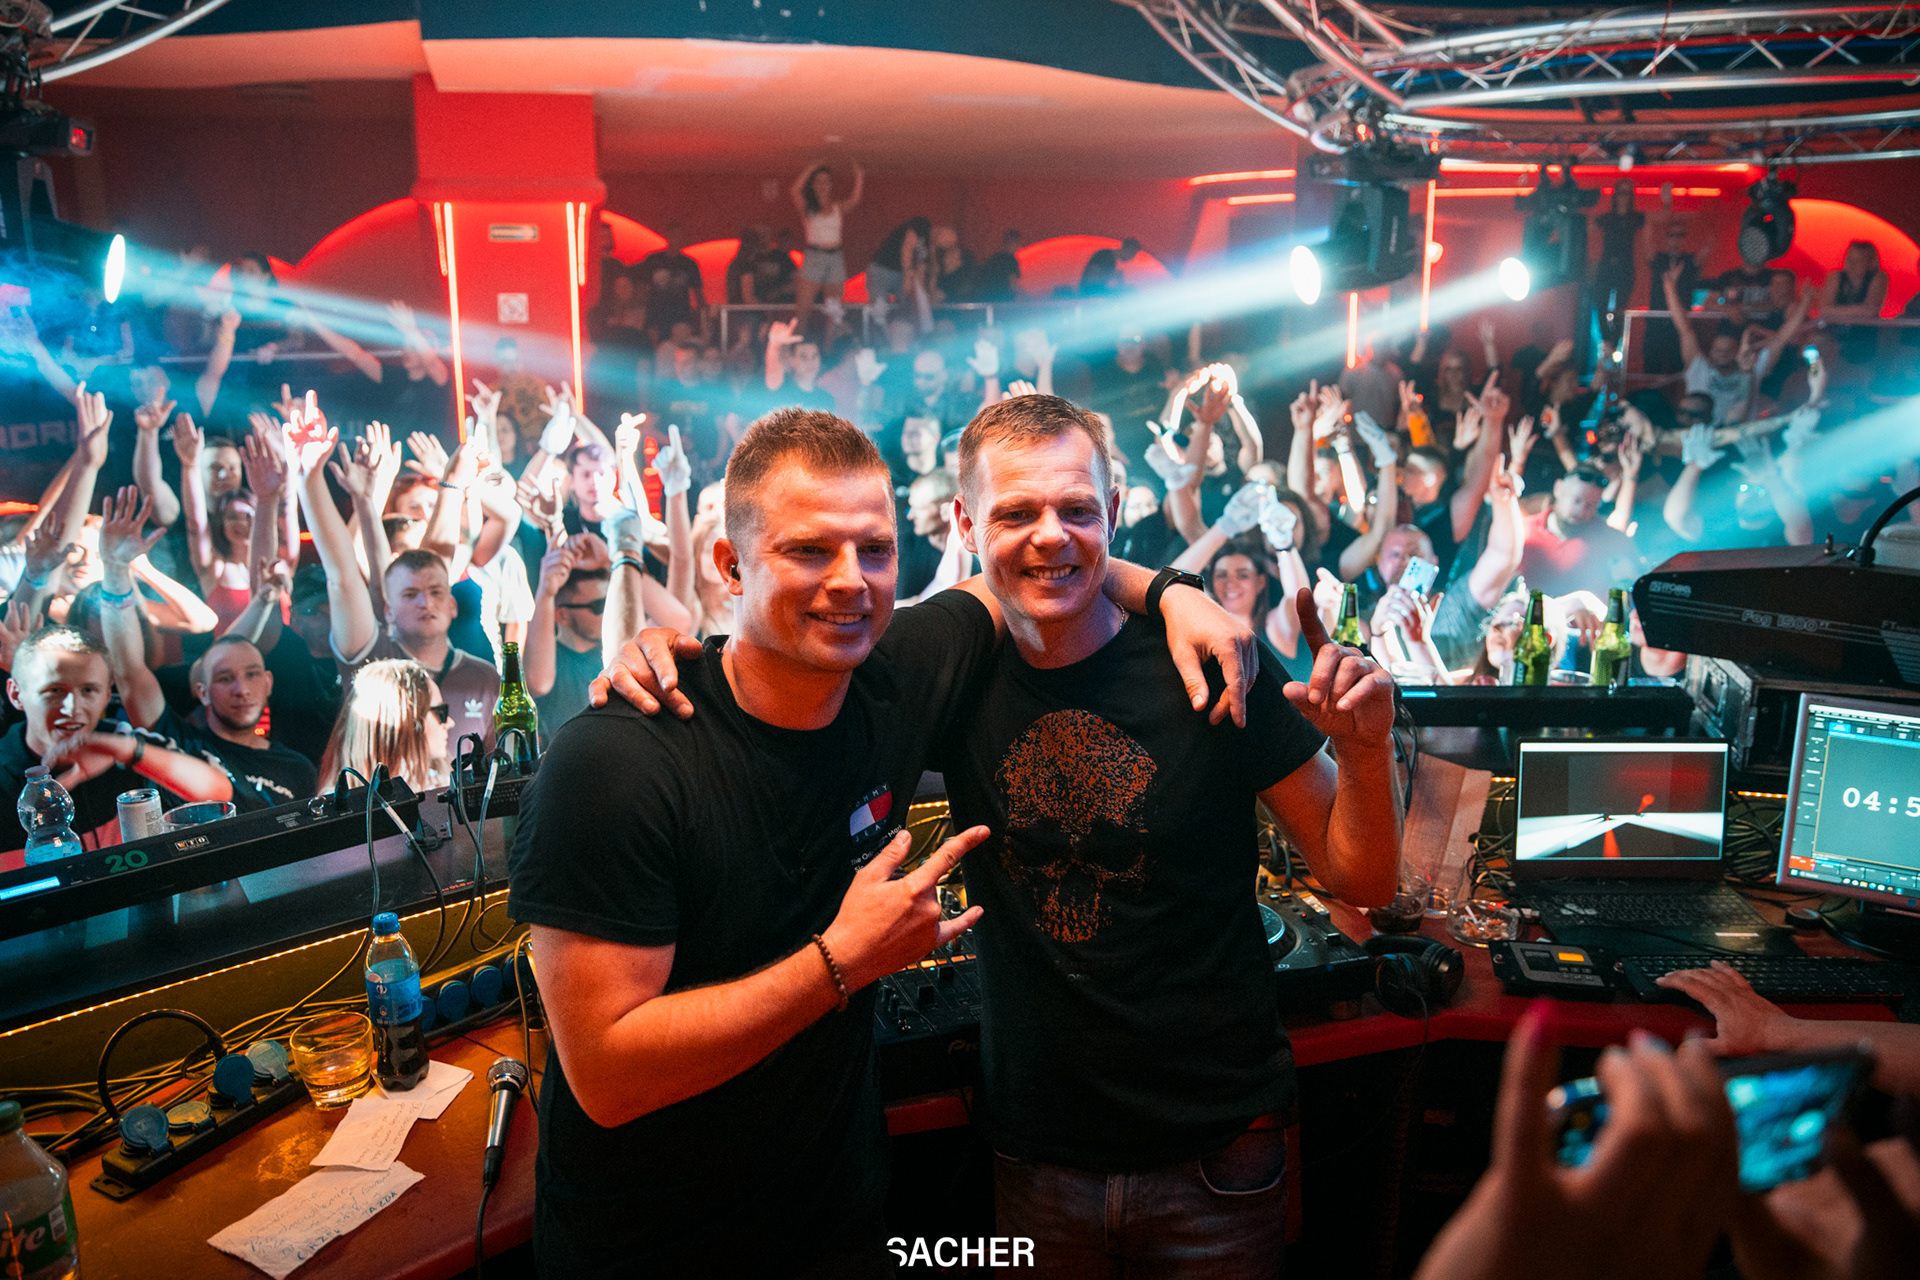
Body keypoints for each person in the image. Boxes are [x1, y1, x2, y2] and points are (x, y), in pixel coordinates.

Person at [516, 407, 1257, 1276]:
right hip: (648, 1249)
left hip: (841, 1220)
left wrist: (1174, 592)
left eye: (874, 550)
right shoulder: (615, 762)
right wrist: (841, 961)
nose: (851, 582)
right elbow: (607, 1077)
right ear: (729, 565)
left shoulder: (894, 678)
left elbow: (1029, 567)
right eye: (808, 551)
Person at [939, 393, 1399, 1272]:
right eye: (1016, 512)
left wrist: (1367, 753)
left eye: (1078, 510)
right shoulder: (959, 672)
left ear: (1114, 513)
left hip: (1219, 1151)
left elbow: (1362, 879)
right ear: (966, 523)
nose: (1051, 535)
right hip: (1038, 1153)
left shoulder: (1213, 656)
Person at [93, 486, 317, 810]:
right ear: (202, 691)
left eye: (252, 674)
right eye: (225, 678)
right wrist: (115, 569)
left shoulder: (297, 769)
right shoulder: (178, 743)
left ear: (268, 682)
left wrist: (265, 597)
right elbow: (128, 671)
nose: (241, 689)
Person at [289, 410, 500, 751]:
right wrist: (307, 477)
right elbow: (342, 574)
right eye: (410, 594)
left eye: (436, 592)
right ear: (388, 608)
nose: (425, 602)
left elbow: (433, 564)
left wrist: (454, 485)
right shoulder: (371, 658)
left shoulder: (484, 676)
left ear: (452, 604)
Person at [2, 625, 233, 852]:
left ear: (106, 695)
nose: (73, 708)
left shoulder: (123, 742)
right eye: (54, 690)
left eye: (88, 690)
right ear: (15, 694)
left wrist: (125, 752)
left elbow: (219, 796)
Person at [315, 657, 451, 795]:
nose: (450, 723)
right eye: (440, 712)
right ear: (406, 721)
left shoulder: (444, 786)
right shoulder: (339, 803)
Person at [524, 536, 608, 744]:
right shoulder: (551, 661)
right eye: (599, 606)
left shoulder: (617, 651)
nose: (609, 612)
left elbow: (679, 620)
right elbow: (538, 683)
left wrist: (611, 561)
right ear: (561, 615)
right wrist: (545, 593)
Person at [1520, 465, 1643, 600]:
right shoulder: (1523, 531)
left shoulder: (1609, 538)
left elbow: (1635, 583)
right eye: (1576, 500)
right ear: (1558, 488)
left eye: (1591, 505)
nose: (1582, 511)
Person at [791, 160, 863, 336]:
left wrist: (859, 176)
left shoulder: (837, 207)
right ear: (814, 185)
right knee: (803, 310)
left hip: (835, 256)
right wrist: (810, 168)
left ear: (831, 185)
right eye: (819, 181)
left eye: (826, 181)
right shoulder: (808, 207)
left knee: (835, 311)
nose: (823, 185)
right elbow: (794, 191)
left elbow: (854, 200)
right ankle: (795, 346)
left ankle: (831, 348)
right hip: (814, 255)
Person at [1818, 240, 1890, 368]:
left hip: (1864, 338)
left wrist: (1837, 312)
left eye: (1858, 261)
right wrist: (1857, 311)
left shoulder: (1879, 277)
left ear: (1870, 263)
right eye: (1849, 259)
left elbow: (1870, 310)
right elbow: (1824, 309)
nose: (1851, 264)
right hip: (1833, 337)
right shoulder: (1836, 277)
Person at [899, 469, 957, 599]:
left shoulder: (971, 550)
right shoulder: (906, 548)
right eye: (911, 507)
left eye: (919, 509)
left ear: (946, 510)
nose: (910, 516)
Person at [975, 229, 1023, 302]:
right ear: (1014, 243)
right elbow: (1013, 284)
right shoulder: (1011, 260)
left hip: (989, 298)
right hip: (1005, 300)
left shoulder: (993, 259)